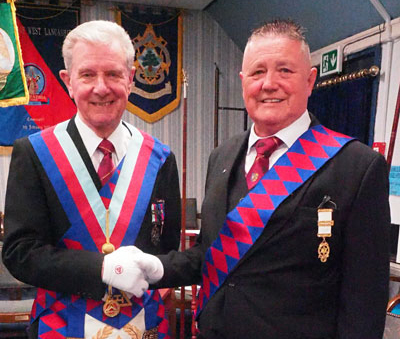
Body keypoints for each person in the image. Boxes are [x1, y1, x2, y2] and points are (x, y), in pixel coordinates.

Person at [116, 19, 391, 338]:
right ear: (244, 81)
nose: (269, 83)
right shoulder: (221, 156)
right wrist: (158, 267)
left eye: (285, 71)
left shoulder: (357, 167)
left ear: (310, 80)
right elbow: (211, 252)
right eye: (258, 72)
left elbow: (365, 299)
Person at [2, 20, 181, 339]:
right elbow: (20, 253)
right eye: (88, 75)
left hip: (141, 326)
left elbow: (166, 248)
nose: (101, 87)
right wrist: (100, 269)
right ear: (68, 82)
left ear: (130, 79)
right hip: (61, 326)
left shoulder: (160, 158)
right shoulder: (33, 153)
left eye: (113, 74)